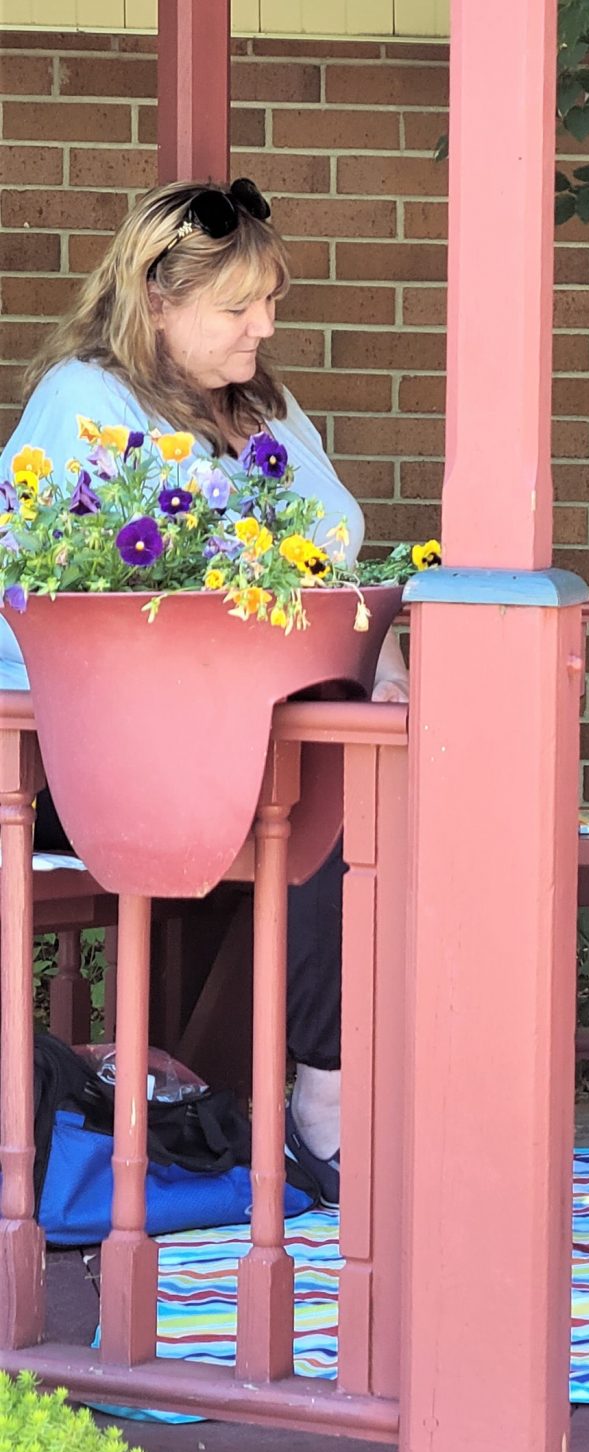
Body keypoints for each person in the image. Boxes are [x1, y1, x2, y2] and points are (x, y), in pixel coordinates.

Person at [0, 177, 410, 1204]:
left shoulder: (262, 404)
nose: (265, 326)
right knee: (343, 783)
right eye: (239, 307)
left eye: (271, 301)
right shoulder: (85, 405)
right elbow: (93, 608)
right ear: (156, 302)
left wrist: (382, 652)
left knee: (395, 772)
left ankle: (371, 1080)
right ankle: (325, 1102)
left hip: (264, 729)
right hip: (80, 753)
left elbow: (328, 571)